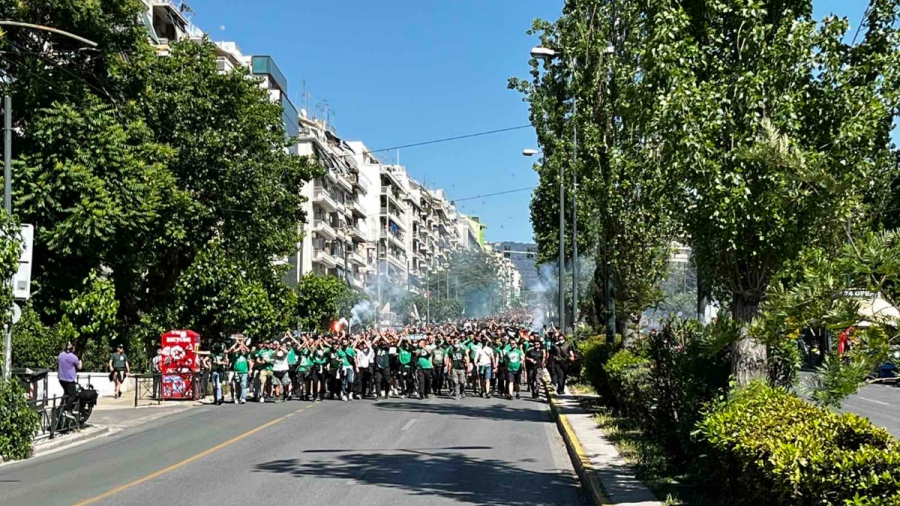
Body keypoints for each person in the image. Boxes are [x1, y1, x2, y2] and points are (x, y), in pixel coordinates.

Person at [58, 343, 82, 411]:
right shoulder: (73, 357)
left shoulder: (60, 355)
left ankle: (61, 407)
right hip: (69, 380)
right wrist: (80, 361)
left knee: (66, 393)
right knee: (73, 395)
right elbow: (79, 367)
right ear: (72, 349)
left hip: (61, 379)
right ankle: (66, 409)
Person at [227, 339, 250, 404]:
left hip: (244, 372)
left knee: (243, 385)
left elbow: (248, 350)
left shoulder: (245, 354)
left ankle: (243, 398)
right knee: (237, 385)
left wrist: (243, 345)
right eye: (241, 349)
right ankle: (238, 397)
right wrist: (238, 345)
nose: (241, 350)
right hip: (236, 372)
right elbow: (232, 351)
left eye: (242, 349)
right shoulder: (235, 354)